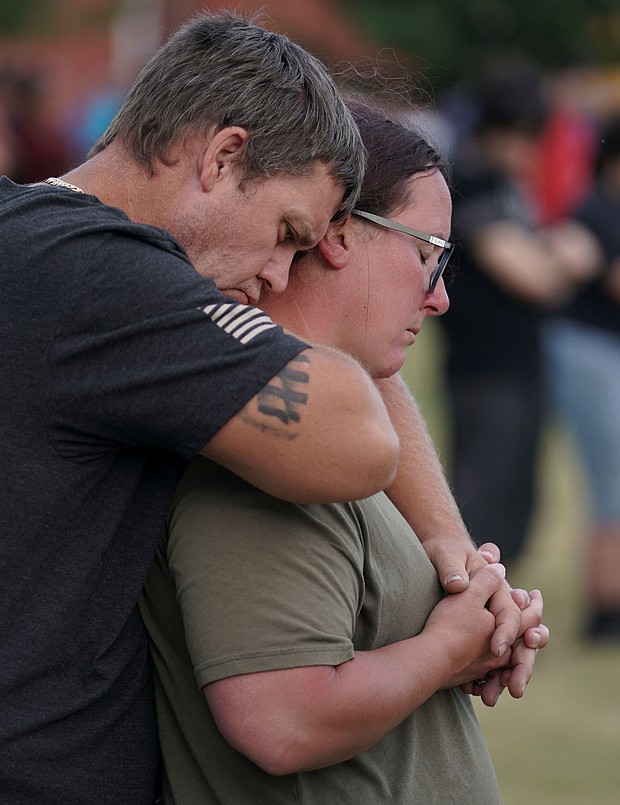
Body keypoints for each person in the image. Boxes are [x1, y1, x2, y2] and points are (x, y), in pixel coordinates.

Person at [0, 12, 403, 805]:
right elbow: (354, 440)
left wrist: (452, 545)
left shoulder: (28, 238)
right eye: (288, 233)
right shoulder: (100, 276)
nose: (282, 278)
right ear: (223, 156)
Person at [140, 102, 549, 804]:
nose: (440, 295)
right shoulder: (274, 456)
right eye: (428, 255)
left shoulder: (323, 430)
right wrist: (447, 647)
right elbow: (280, 718)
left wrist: (473, 603)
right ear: (338, 231)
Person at [438, 61, 600, 565]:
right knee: (480, 503)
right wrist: (568, 257)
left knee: (521, 501)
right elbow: (533, 276)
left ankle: (501, 607)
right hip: (483, 371)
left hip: (523, 364)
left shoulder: (510, 185)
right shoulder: (468, 180)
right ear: (499, 130)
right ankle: (466, 609)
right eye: (526, 139)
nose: (531, 154)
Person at [544, 115, 620, 641]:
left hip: (600, 351)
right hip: (588, 352)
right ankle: (605, 611)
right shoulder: (596, 211)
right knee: (611, 481)